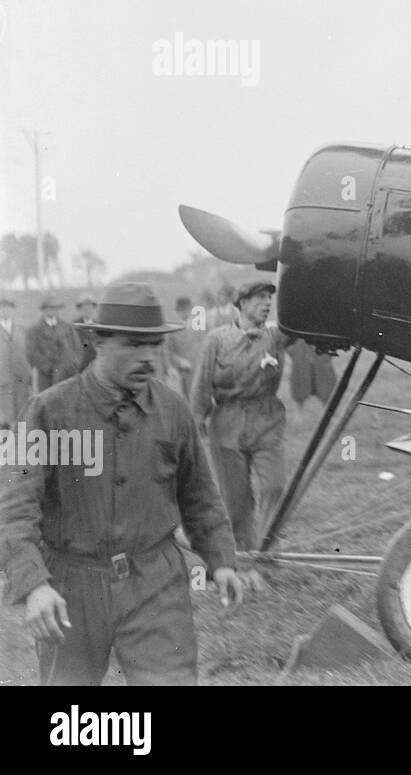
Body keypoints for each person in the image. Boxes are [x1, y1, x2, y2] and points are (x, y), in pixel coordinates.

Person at [0, 282, 243, 686]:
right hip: (72, 587)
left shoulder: (172, 409)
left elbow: (201, 497)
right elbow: (14, 507)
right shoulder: (48, 410)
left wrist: (222, 561)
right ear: (98, 340)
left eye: (154, 345)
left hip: (155, 583)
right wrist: (34, 584)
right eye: (134, 345)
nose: (149, 358)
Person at [190, 279, 291, 551]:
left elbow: (304, 326)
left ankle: (267, 548)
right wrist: (197, 419)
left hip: (266, 420)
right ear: (242, 304)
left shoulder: (275, 336)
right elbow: (202, 383)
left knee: (275, 485)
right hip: (226, 424)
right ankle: (243, 556)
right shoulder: (217, 339)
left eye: (269, 299)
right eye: (260, 298)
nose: (267, 304)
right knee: (236, 500)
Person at [25, 297, 81, 393]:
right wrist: (49, 368)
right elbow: (31, 353)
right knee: (47, 402)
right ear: (44, 310)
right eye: (50, 308)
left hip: (66, 375)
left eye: (56, 308)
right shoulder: (34, 329)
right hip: (46, 376)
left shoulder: (67, 327)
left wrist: (73, 364)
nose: (53, 311)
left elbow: (77, 348)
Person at [0, 296, 32, 426]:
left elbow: (29, 353)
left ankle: (21, 441)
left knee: (22, 412)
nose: (5, 311)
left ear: (13, 310)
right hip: (3, 378)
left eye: (8, 308)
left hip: (20, 378)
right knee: (6, 415)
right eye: (2, 308)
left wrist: (28, 374)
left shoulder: (22, 329)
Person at [287, 337, 338, 418]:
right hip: (302, 340)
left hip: (322, 340)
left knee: (325, 378)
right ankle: (298, 412)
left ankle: (328, 412)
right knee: (301, 375)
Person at [164, 296, 204, 398]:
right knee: (187, 399)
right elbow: (168, 351)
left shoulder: (200, 327)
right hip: (184, 371)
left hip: (200, 369)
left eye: (186, 310)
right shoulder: (173, 330)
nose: (183, 313)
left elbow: (206, 347)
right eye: (180, 311)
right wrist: (180, 361)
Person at [72, 293, 99, 372]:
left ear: (94, 309)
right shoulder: (74, 326)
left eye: (90, 307)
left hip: (96, 364)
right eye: (84, 308)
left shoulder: (99, 325)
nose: (87, 310)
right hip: (80, 365)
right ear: (79, 309)